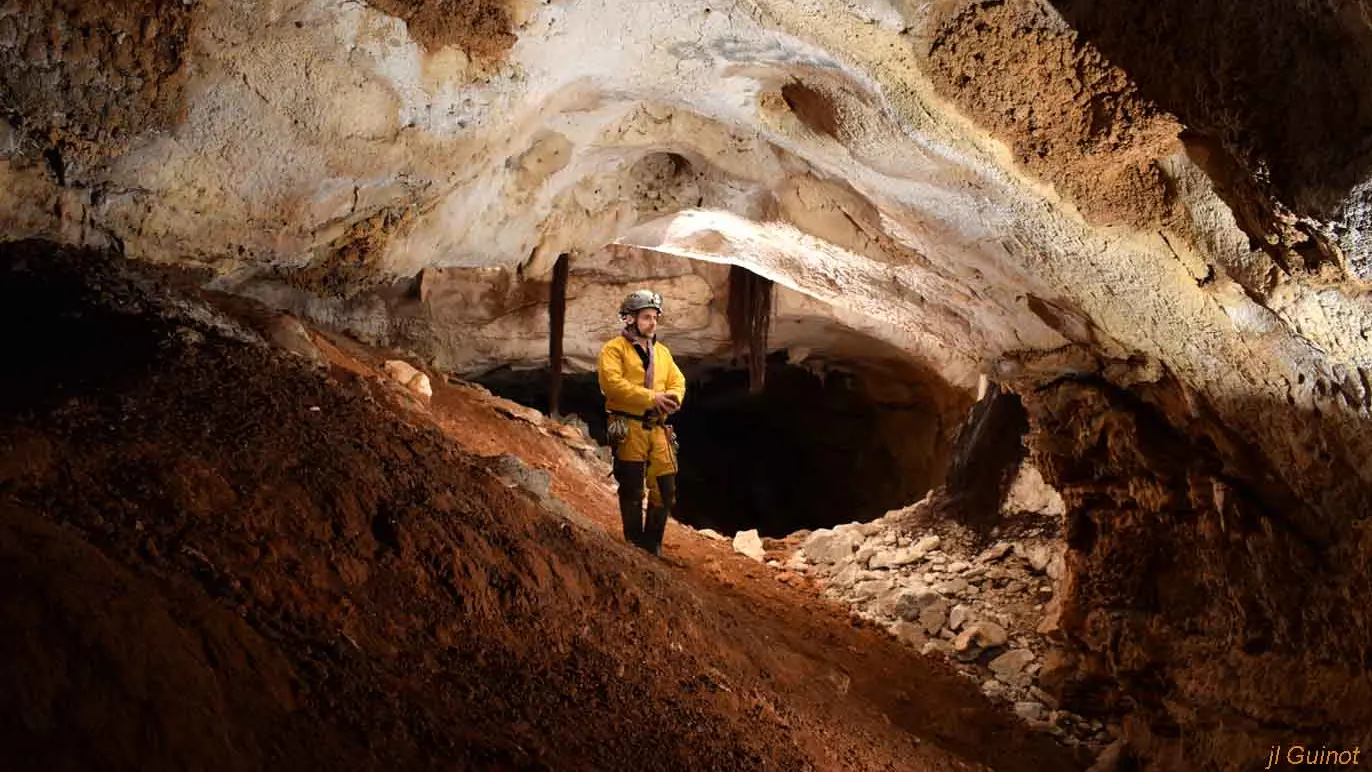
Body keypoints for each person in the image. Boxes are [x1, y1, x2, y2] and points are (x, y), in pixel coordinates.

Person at [597, 289, 686, 556]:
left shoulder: (663, 353)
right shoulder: (613, 350)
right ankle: (634, 545)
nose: (652, 323)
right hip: (628, 425)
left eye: (655, 317)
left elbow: (677, 381)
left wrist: (674, 397)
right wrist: (651, 397)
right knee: (633, 486)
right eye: (646, 317)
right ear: (629, 319)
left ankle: (653, 544)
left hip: (658, 426)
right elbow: (612, 385)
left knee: (665, 486)